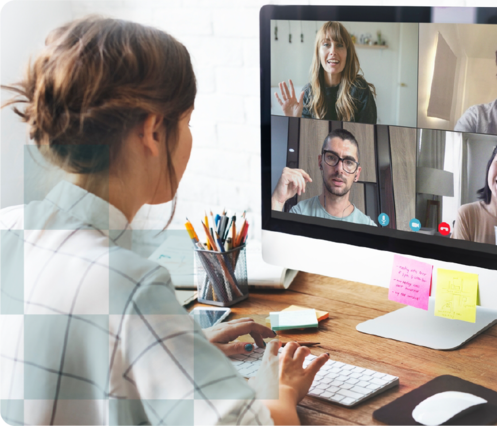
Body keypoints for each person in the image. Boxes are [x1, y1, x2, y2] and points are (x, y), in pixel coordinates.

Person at [0, 17, 328, 426]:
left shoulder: (8, 228)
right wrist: (282, 389)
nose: (189, 137)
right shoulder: (129, 287)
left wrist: (178, 347)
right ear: (153, 131)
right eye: (186, 122)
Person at [275, 21, 377, 124]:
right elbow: (305, 138)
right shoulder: (308, 93)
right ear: (318, 53)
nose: (333, 51)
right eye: (326, 44)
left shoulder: (360, 90)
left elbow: (368, 136)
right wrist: (294, 121)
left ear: (347, 53)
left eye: (340, 45)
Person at [271, 128, 376, 226]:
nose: (339, 169)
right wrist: (277, 201)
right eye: (331, 157)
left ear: (357, 174)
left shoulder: (369, 227)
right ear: (320, 162)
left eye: (349, 162)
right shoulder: (299, 212)